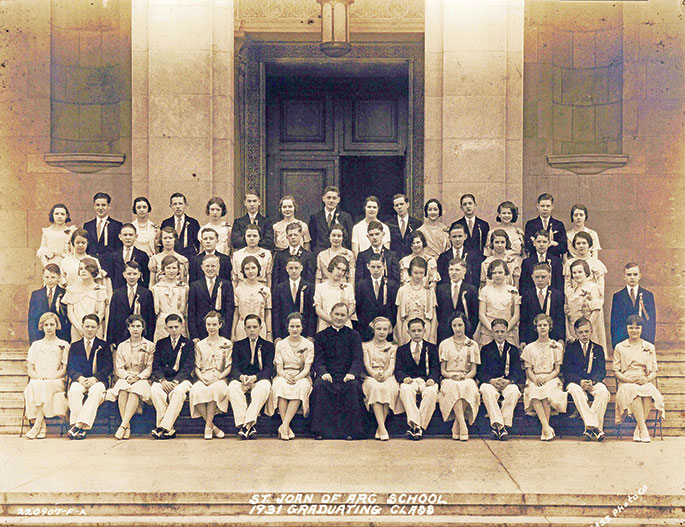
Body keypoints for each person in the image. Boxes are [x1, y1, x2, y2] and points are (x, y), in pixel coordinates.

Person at [310, 302, 366, 440]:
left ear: (347, 317)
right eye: (337, 314)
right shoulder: (321, 336)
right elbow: (318, 359)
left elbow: (358, 358)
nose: (339, 318)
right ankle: (321, 431)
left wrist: (352, 374)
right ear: (330, 315)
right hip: (328, 374)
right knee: (320, 386)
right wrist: (323, 373)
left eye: (343, 315)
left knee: (353, 387)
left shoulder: (354, 335)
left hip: (348, 375)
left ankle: (352, 431)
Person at [613, 315, 665, 443]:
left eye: (637, 327)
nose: (634, 330)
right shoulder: (620, 347)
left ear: (641, 329)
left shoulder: (649, 346)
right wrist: (627, 380)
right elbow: (616, 371)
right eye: (631, 327)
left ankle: (638, 429)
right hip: (627, 381)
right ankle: (644, 430)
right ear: (627, 329)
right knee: (634, 392)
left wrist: (647, 379)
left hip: (643, 379)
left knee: (648, 393)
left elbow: (654, 371)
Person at [267, 312, 315, 440]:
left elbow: (307, 369)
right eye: (292, 326)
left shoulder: (308, 345)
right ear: (287, 327)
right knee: (279, 385)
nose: (295, 329)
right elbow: (279, 368)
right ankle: (286, 427)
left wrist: (297, 377)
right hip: (284, 374)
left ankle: (284, 426)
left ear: (302, 328)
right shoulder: (281, 345)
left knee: (300, 386)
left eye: (297, 326)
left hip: (301, 375)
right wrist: (286, 376)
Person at [106, 315, 154, 439]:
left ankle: (123, 426)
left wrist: (138, 377)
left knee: (135, 391)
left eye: (138, 326)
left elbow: (149, 368)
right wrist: (127, 376)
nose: (135, 329)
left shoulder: (150, 345)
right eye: (132, 326)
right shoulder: (122, 346)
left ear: (143, 328)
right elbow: (119, 368)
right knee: (122, 390)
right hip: (126, 377)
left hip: (142, 379)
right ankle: (127, 426)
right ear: (128, 328)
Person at [561, 317, 609, 441]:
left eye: (587, 331)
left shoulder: (598, 348)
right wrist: (580, 381)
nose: (584, 335)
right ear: (576, 333)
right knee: (576, 392)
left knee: (603, 391)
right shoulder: (571, 348)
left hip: (592, 381)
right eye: (581, 332)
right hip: (575, 382)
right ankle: (596, 428)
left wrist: (592, 381)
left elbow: (601, 371)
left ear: (591, 331)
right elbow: (566, 370)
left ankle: (589, 428)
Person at [227, 314, 274, 439]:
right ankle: (248, 425)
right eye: (249, 327)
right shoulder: (238, 345)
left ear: (260, 327)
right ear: (244, 328)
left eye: (255, 327)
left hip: (259, 379)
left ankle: (245, 426)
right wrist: (241, 377)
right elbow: (234, 368)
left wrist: (255, 378)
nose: (252, 330)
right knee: (232, 387)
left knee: (263, 388)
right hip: (243, 379)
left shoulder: (268, 346)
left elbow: (269, 369)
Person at [520, 314, 567, 441]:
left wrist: (546, 379)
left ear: (549, 327)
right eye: (539, 325)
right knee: (534, 391)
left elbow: (557, 369)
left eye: (545, 325)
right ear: (536, 328)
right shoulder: (530, 347)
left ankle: (544, 429)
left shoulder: (556, 346)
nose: (542, 328)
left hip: (551, 378)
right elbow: (528, 369)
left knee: (546, 392)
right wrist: (535, 380)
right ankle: (546, 428)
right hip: (534, 377)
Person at [66, 314, 113, 439]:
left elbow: (108, 367)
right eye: (87, 326)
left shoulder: (103, 345)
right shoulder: (75, 346)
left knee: (96, 392)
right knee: (74, 391)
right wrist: (80, 378)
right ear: (82, 327)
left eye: (93, 327)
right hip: (80, 380)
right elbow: (70, 367)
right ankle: (80, 427)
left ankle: (78, 426)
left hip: (98, 381)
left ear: (97, 328)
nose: (90, 329)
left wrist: (95, 378)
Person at [23, 313, 69, 439]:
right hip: (38, 379)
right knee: (34, 386)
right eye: (46, 325)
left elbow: (64, 369)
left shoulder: (64, 344)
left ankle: (37, 426)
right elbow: (30, 369)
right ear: (41, 326)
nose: (49, 327)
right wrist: (38, 377)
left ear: (56, 326)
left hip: (56, 380)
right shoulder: (36, 345)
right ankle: (41, 425)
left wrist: (52, 377)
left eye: (51, 324)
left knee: (44, 386)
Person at [150, 314, 195, 439]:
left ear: (182, 326)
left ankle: (162, 426)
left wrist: (176, 381)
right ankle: (169, 428)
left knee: (178, 393)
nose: (174, 330)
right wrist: (163, 381)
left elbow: (188, 366)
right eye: (170, 327)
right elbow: (156, 365)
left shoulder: (189, 344)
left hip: (182, 380)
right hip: (164, 379)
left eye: (176, 327)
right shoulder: (160, 343)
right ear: (166, 328)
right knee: (155, 390)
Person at [189, 311, 233, 439]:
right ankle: (213, 426)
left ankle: (208, 427)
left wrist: (217, 378)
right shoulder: (200, 345)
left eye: (214, 324)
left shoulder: (227, 343)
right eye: (209, 324)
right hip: (203, 376)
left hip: (219, 377)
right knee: (195, 391)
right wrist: (202, 378)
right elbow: (197, 366)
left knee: (215, 389)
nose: (211, 327)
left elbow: (229, 366)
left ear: (220, 325)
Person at [477, 318, 523, 440]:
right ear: (492, 332)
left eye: (502, 331)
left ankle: (499, 425)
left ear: (507, 332)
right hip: (491, 382)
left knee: (513, 391)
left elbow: (518, 371)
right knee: (486, 390)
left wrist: (509, 381)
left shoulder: (512, 349)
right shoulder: (486, 349)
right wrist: (491, 380)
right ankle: (500, 427)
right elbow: (480, 372)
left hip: (507, 382)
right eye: (496, 331)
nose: (500, 334)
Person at [394, 318, 440, 440]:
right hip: (411, 380)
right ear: (408, 332)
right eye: (413, 331)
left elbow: (436, 368)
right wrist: (404, 378)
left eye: (419, 330)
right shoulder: (402, 350)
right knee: (405, 389)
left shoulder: (432, 348)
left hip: (426, 380)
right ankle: (416, 425)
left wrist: (432, 379)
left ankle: (417, 426)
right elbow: (398, 369)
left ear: (424, 331)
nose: (417, 333)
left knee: (431, 392)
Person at [438, 313, 481, 441]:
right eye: (454, 325)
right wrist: (452, 376)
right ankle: (463, 425)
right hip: (449, 378)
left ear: (465, 325)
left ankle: (457, 424)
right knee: (454, 387)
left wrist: (465, 376)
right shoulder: (445, 344)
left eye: (460, 325)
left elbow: (473, 370)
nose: (457, 328)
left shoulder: (472, 344)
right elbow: (443, 370)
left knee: (467, 386)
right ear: (451, 327)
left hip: (466, 377)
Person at [362, 317, 400, 441]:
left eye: (385, 329)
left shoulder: (393, 347)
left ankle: (380, 427)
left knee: (387, 387)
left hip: (388, 376)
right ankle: (383, 428)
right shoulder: (366, 346)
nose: (382, 332)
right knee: (376, 387)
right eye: (379, 329)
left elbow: (392, 366)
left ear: (389, 330)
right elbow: (367, 364)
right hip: (372, 376)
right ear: (374, 329)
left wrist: (386, 374)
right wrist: (374, 374)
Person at [107, 260, 155, 346]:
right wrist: (111, 340)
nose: (132, 277)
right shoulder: (117, 293)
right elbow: (112, 317)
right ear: (124, 275)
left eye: (135, 274)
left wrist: (149, 339)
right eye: (129, 274)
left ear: (139, 275)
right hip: (120, 336)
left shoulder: (146, 293)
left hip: (140, 336)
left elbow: (150, 319)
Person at [187, 254, 235, 341]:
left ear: (218, 267)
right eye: (207, 266)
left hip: (220, 330)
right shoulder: (195, 286)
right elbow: (191, 312)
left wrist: (225, 334)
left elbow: (229, 311)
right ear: (202, 267)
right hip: (201, 330)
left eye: (213, 266)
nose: (210, 269)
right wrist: (194, 335)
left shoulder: (226, 285)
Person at [519, 263, 565, 350]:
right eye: (537, 277)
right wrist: (523, 340)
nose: (540, 280)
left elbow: (560, 318)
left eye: (543, 277)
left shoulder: (557, 295)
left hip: (552, 338)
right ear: (532, 277)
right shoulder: (527, 295)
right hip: (532, 338)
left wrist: (561, 338)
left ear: (549, 277)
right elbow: (524, 319)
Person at [474, 259, 520, 346]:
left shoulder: (513, 290)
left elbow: (516, 315)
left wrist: (504, 331)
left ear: (505, 273)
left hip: (508, 333)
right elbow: (482, 314)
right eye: (494, 273)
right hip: (488, 333)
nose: (497, 275)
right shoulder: (485, 290)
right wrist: (493, 330)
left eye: (500, 272)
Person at [354, 254, 399, 342]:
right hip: (367, 329)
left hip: (385, 330)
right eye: (373, 267)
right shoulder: (361, 285)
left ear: (384, 266)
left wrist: (388, 324)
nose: (376, 270)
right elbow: (359, 308)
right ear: (368, 266)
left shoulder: (392, 285)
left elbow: (394, 309)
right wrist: (368, 324)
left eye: (378, 267)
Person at [61, 258, 108, 341]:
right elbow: (70, 312)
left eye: (86, 268)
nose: (83, 271)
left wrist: (91, 327)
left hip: (95, 329)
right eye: (81, 269)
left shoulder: (100, 290)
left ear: (93, 271)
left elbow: (101, 312)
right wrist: (80, 329)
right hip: (77, 329)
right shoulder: (72, 290)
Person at [610, 262, 656, 347]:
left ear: (640, 276)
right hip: (624, 342)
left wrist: (649, 344)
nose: (632, 277)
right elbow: (615, 323)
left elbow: (651, 322)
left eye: (635, 274)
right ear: (624, 277)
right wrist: (616, 345)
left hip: (643, 341)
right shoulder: (618, 297)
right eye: (629, 274)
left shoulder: (648, 295)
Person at [272, 256, 317, 342]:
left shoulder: (309, 287)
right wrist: (277, 336)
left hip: (304, 332)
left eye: (296, 268)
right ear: (286, 269)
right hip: (284, 332)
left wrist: (311, 336)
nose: (293, 270)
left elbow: (312, 313)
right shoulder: (279, 288)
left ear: (301, 268)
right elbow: (276, 313)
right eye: (291, 268)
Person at [565, 259, 606, 351]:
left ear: (586, 272)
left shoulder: (592, 288)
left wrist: (586, 330)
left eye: (580, 272)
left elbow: (596, 311)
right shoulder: (573, 291)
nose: (577, 275)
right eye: (574, 273)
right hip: (574, 330)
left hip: (587, 331)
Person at [395, 256, 437, 345]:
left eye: (421, 273)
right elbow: (399, 316)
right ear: (410, 272)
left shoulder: (429, 290)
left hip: (425, 329)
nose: (418, 276)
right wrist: (400, 337)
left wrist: (432, 336)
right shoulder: (402, 290)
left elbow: (434, 316)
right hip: (408, 329)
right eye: (415, 273)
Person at [435, 258, 478, 342]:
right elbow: (438, 313)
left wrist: (468, 330)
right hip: (445, 334)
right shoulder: (441, 289)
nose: (453, 272)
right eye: (451, 269)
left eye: (457, 270)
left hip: (464, 333)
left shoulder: (471, 290)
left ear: (464, 271)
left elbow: (474, 314)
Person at [231, 256, 272, 341]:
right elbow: (236, 313)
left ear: (258, 269)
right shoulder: (238, 290)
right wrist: (233, 333)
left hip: (260, 327)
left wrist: (269, 333)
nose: (250, 271)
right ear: (243, 271)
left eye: (253, 268)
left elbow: (268, 312)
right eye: (247, 268)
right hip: (242, 327)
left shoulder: (265, 290)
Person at [28, 264, 71, 343]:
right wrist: (33, 341)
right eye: (47, 277)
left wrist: (66, 339)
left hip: (60, 336)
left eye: (53, 277)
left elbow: (67, 318)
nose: (49, 280)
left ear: (59, 277)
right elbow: (32, 319)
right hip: (40, 336)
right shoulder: (36, 295)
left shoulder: (65, 293)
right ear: (43, 277)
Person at [314, 255, 356, 332]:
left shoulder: (348, 287)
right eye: (338, 268)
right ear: (332, 267)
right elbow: (318, 309)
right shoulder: (320, 287)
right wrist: (333, 322)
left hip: (344, 325)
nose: (340, 272)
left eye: (343, 270)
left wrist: (342, 321)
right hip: (326, 326)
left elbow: (351, 307)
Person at [152, 255, 189, 341]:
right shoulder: (157, 288)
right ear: (163, 269)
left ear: (178, 269)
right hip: (162, 323)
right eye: (168, 268)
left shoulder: (184, 287)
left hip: (179, 322)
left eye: (174, 268)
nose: (171, 271)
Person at [308, 186, 354, 253]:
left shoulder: (346, 217)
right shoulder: (315, 217)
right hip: (320, 255)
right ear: (323, 198)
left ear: (338, 200)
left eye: (334, 198)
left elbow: (349, 238)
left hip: (339, 255)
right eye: (328, 198)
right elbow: (313, 240)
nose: (331, 201)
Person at [104, 223, 150, 291]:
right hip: (118, 292)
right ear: (120, 237)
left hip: (136, 291)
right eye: (125, 235)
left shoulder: (142, 255)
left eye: (130, 235)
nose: (128, 237)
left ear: (136, 236)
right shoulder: (113, 256)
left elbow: (146, 277)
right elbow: (111, 276)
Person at [519, 230, 564, 295]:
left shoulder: (556, 261)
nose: (541, 244)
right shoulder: (527, 262)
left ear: (549, 244)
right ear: (534, 243)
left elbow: (559, 283)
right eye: (539, 242)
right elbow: (523, 285)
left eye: (544, 242)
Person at [523, 193, 567, 258]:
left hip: (554, 260)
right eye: (542, 206)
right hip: (535, 260)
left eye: (548, 206)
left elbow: (563, 247)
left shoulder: (559, 225)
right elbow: (528, 246)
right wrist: (552, 244)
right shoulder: (531, 224)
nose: (545, 209)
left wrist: (540, 245)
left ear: (552, 206)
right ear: (537, 206)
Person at [271, 222, 315, 286]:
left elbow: (310, 278)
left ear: (300, 236)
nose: (293, 237)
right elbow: (275, 278)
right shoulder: (279, 255)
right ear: (287, 237)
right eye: (290, 235)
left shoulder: (308, 256)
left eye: (295, 235)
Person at [160, 192, 201, 260]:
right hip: (170, 260)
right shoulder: (166, 223)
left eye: (180, 203)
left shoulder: (193, 223)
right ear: (170, 206)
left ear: (185, 205)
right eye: (175, 204)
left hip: (189, 259)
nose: (178, 206)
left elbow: (198, 244)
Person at [437, 223, 479, 289]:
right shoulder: (443, 257)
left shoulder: (473, 256)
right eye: (454, 236)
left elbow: (476, 278)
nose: (457, 239)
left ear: (465, 236)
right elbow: (441, 279)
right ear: (449, 238)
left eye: (460, 236)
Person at [83, 192, 123, 260]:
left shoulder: (117, 226)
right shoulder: (87, 226)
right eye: (97, 205)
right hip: (92, 264)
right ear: (94, 206)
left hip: (110, 264)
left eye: (103, 205)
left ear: (109, 206)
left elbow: (119, 249)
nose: (100, 208)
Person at [36, 203, 76, 267]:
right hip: (52, 264)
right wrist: (47, 267)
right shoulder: (47, 232)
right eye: (56, 214)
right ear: (52, 215)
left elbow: (74, 252)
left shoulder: (71, 232)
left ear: (66, 216)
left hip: (67, 264)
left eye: (62, 214)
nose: (59, 216)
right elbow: (42, 252)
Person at [386, 193, 422, 258]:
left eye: (401, 204)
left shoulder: (416, 223)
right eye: (397, 205)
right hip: (395, 260)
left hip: (412, 259)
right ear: (394, 208)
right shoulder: (389, 224)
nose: (399, 207)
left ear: (407, 205)